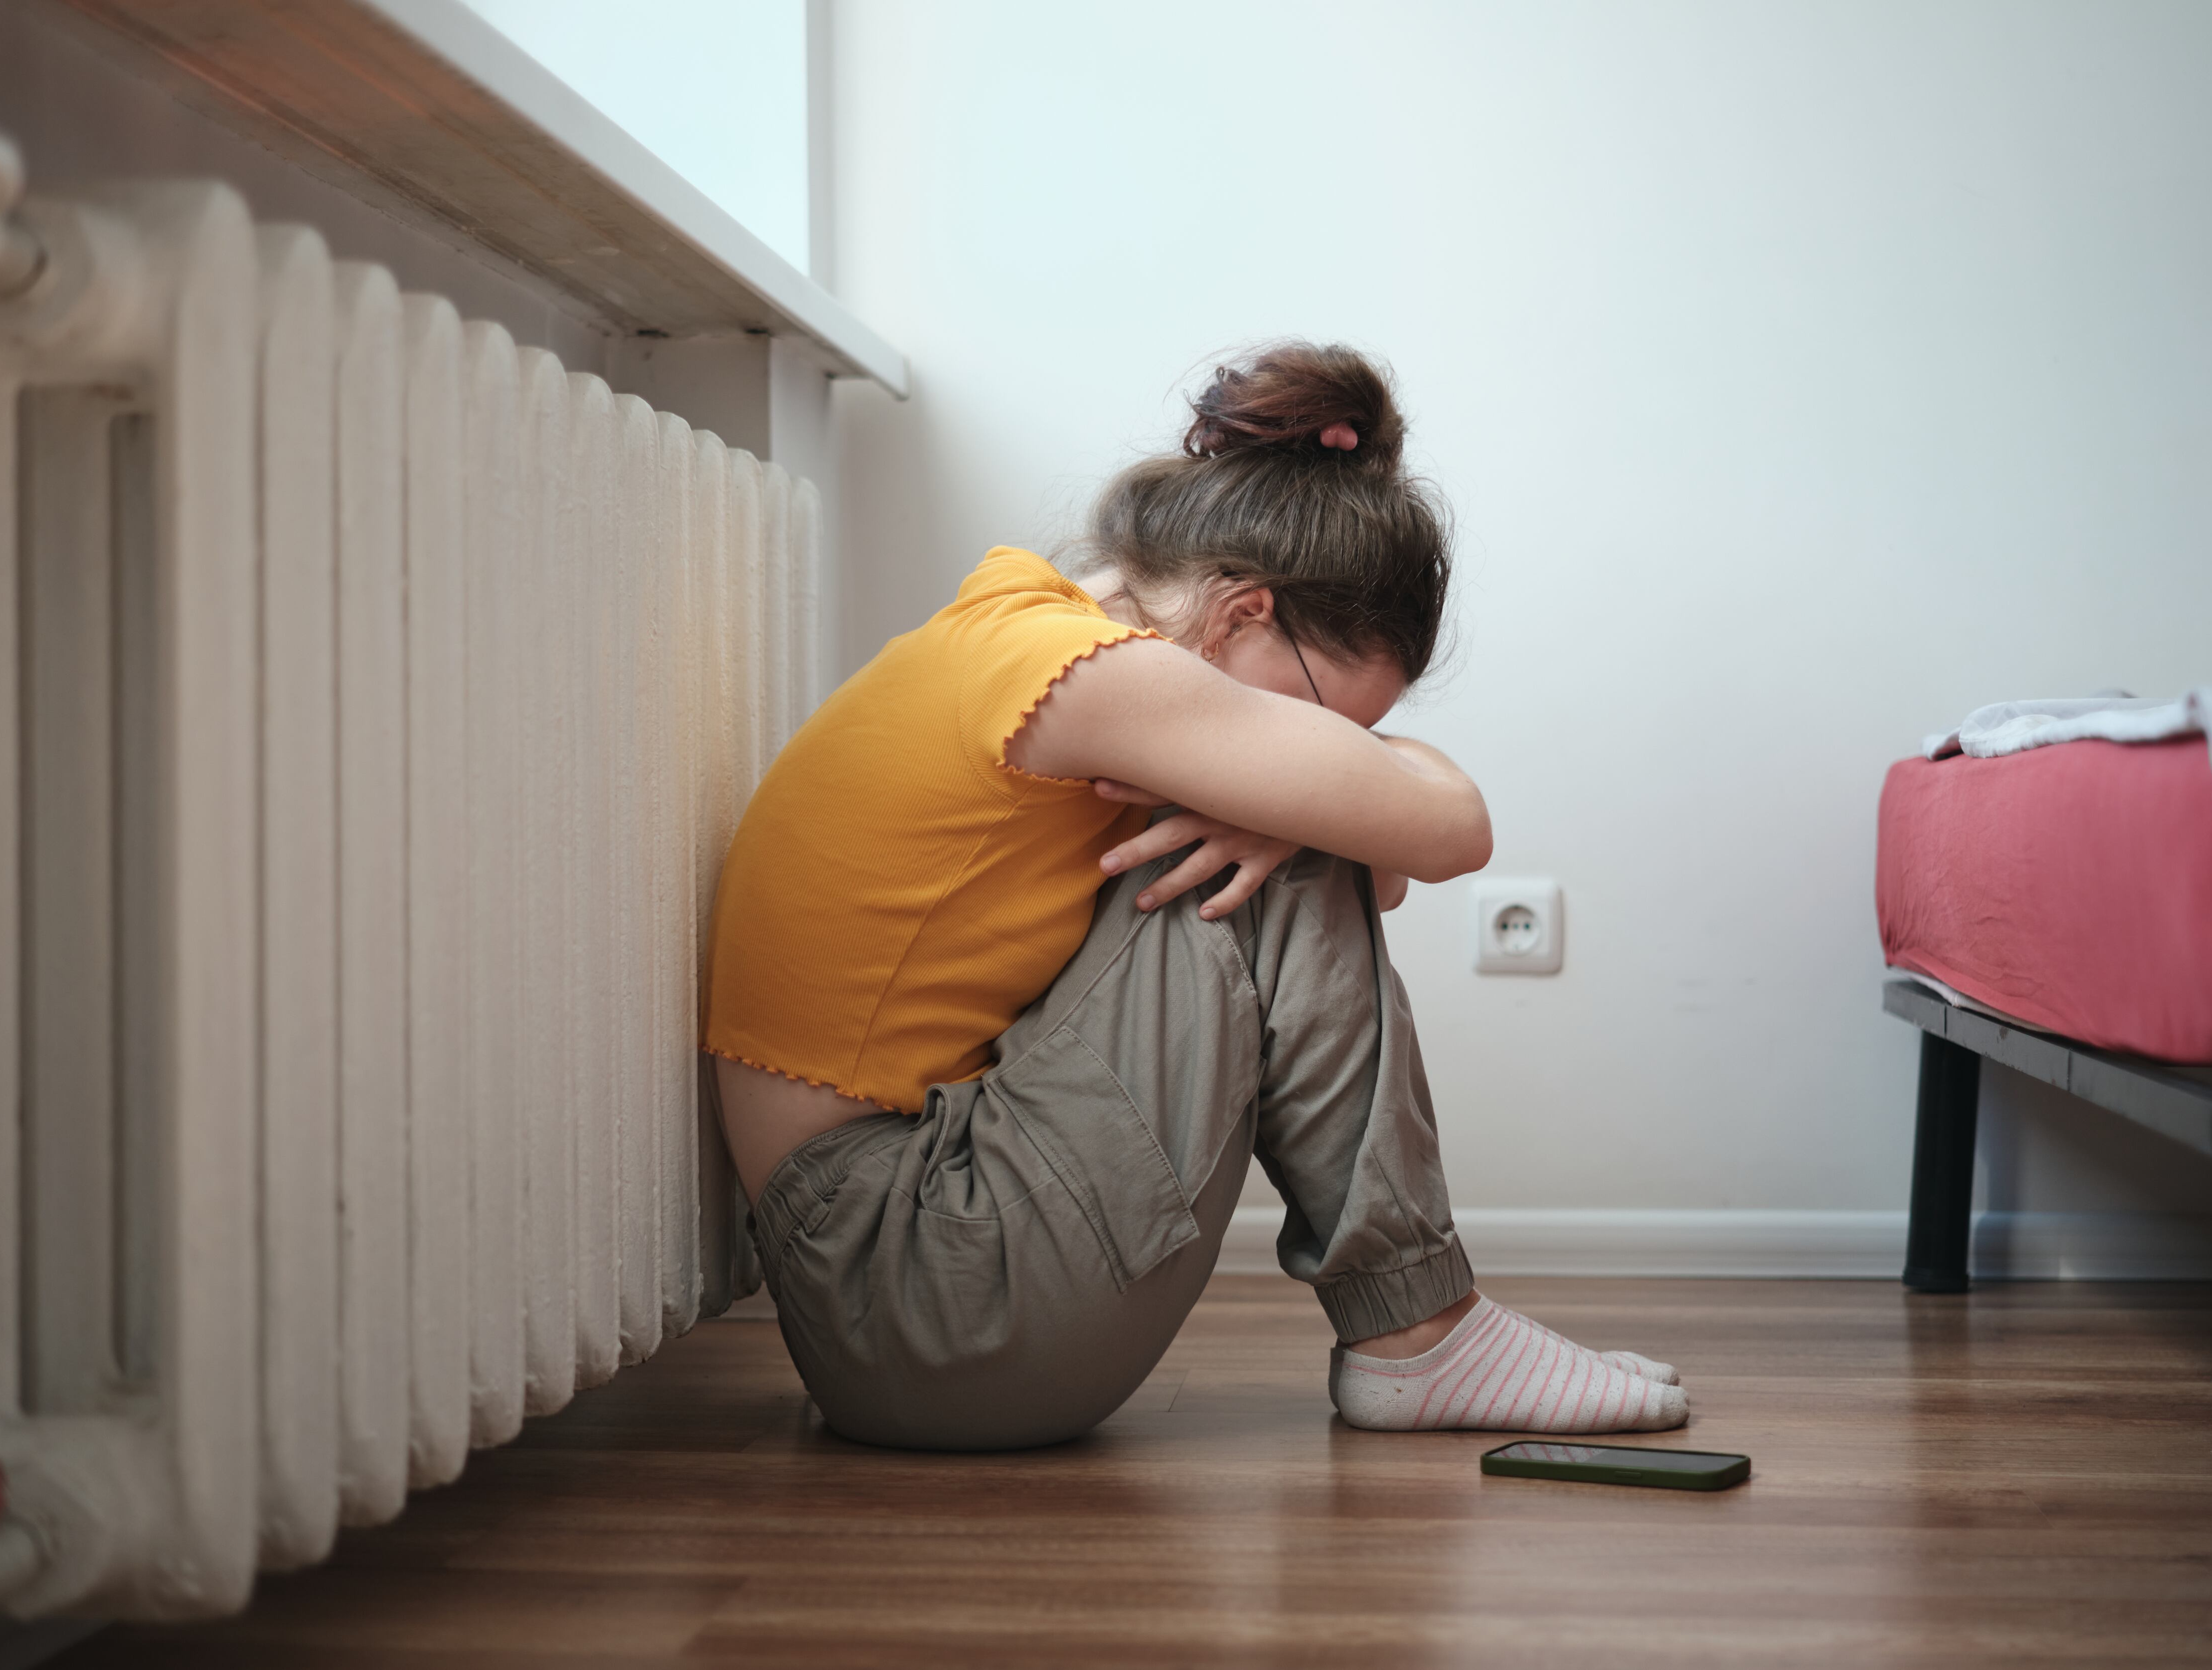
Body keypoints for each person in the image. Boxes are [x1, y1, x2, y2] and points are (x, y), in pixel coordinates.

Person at [704, 342, 1687, 1450]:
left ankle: (1420, 1327)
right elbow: (1448, 830)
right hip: (920, 1274)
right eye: (1322, 719)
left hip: (885, 1277)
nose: (1320, 748)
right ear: (1242, 613)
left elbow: (1393, 854)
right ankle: (1419, 1329)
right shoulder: (1101, 677)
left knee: (1300, 832)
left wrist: (1309, 799)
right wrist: (1318, 802)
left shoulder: (1030, 629)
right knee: (1296, 848)